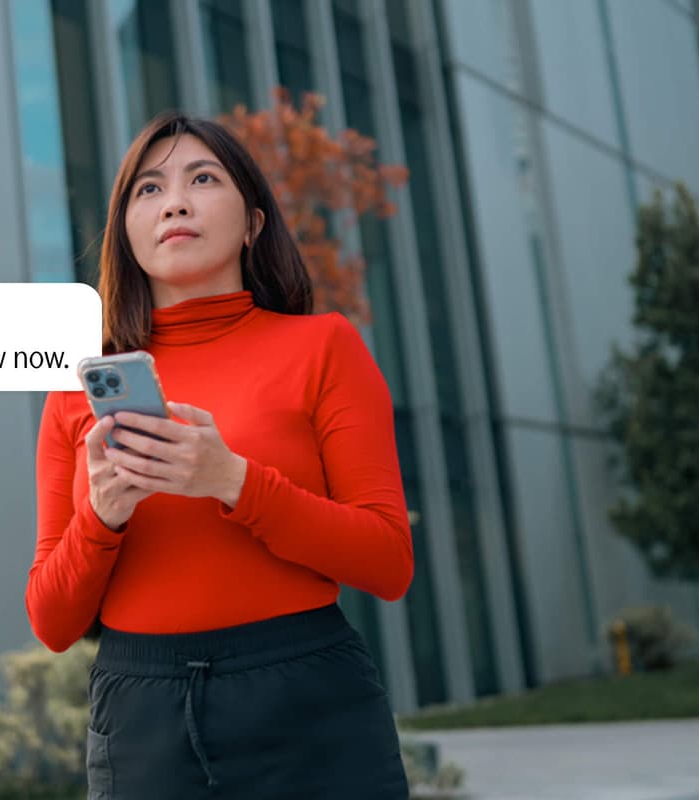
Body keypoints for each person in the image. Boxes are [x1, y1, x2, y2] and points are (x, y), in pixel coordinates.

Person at [26, 111, 414, 799]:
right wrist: (103, 517)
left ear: (253, 223)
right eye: (149, 189)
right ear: (126, 232)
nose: (174, 202)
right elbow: (52, 623)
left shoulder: (324, 347)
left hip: (307, 703)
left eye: (202, 179)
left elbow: (388, 562)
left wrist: (233, 480)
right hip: (141, 720)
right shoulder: (76, 390)